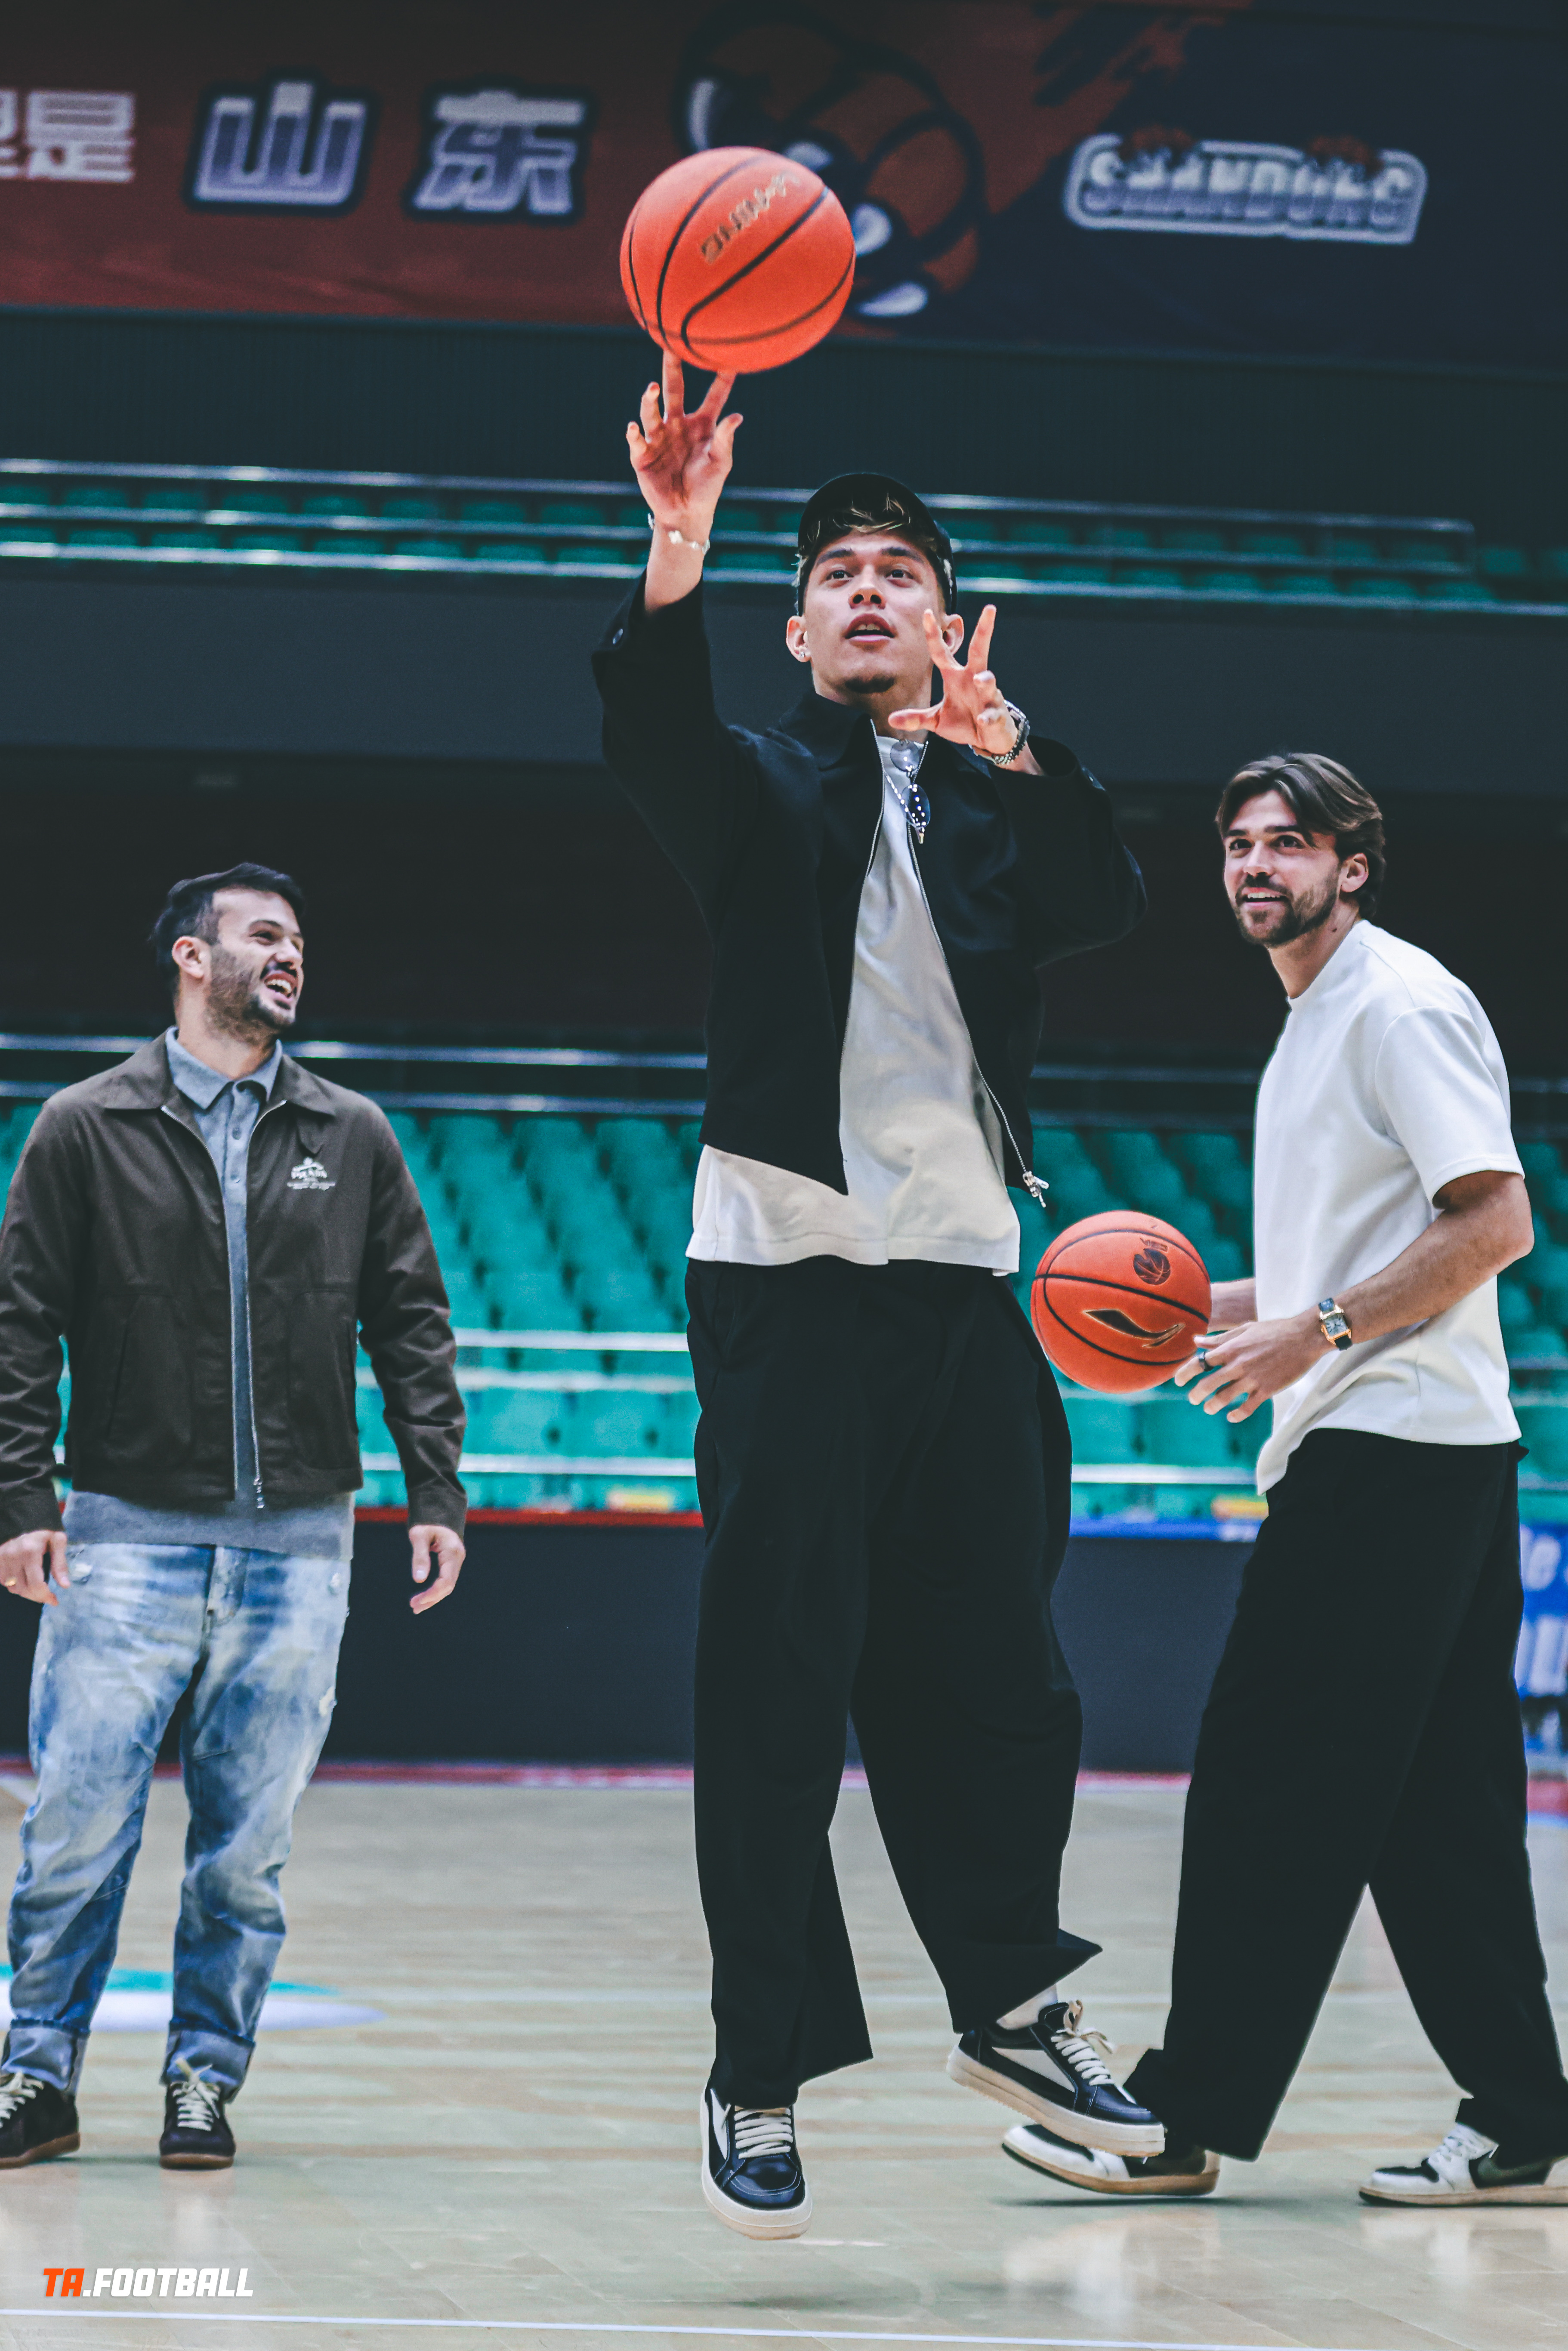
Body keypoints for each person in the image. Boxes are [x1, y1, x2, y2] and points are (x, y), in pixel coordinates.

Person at [593, 355, 1152, 2239]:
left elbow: (1105, 896)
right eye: (833, 572)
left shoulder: (995, 807)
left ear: (942, 623)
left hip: (967, 1295)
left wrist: (1015, 752)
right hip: (788, 1290)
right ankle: (758, 2062)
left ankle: (1010, 2005)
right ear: (797, 625)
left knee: (1001, 1680)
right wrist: (677, 548)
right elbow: (651, 738)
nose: (862, 589)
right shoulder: (755, 785)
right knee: (773, 1692)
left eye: (896, 573)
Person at [1004, 754, 1568, 2204]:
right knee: (1436, 1817)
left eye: (1290, 843)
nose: (1256, 865)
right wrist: (1183, 1315)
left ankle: (1178, 2118)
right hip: (1426, 1455)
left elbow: (1494, 1222)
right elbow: (1346, 1257)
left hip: (1386, 1452)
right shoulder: (1315, 1020)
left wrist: (1311, 1333)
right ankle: (1523, 2121)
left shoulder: (1398, 1003)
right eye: (1238, 844)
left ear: (1351, 866)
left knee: (1264, 1782)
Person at [0, 864, 466, 2172]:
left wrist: (435, 1488)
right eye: (263, 935)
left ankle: (203, 2080)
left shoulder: (350, 1133)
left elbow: (411, 1320)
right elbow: (19, 1325)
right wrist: (22, 1498)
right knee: (76, 1830)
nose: (289, 954)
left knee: (245, 1852)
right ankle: (36, 2075)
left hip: (301, 1547)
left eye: (297, 939)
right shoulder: (84, 1127)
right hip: (123, 1537)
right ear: (192, 959)